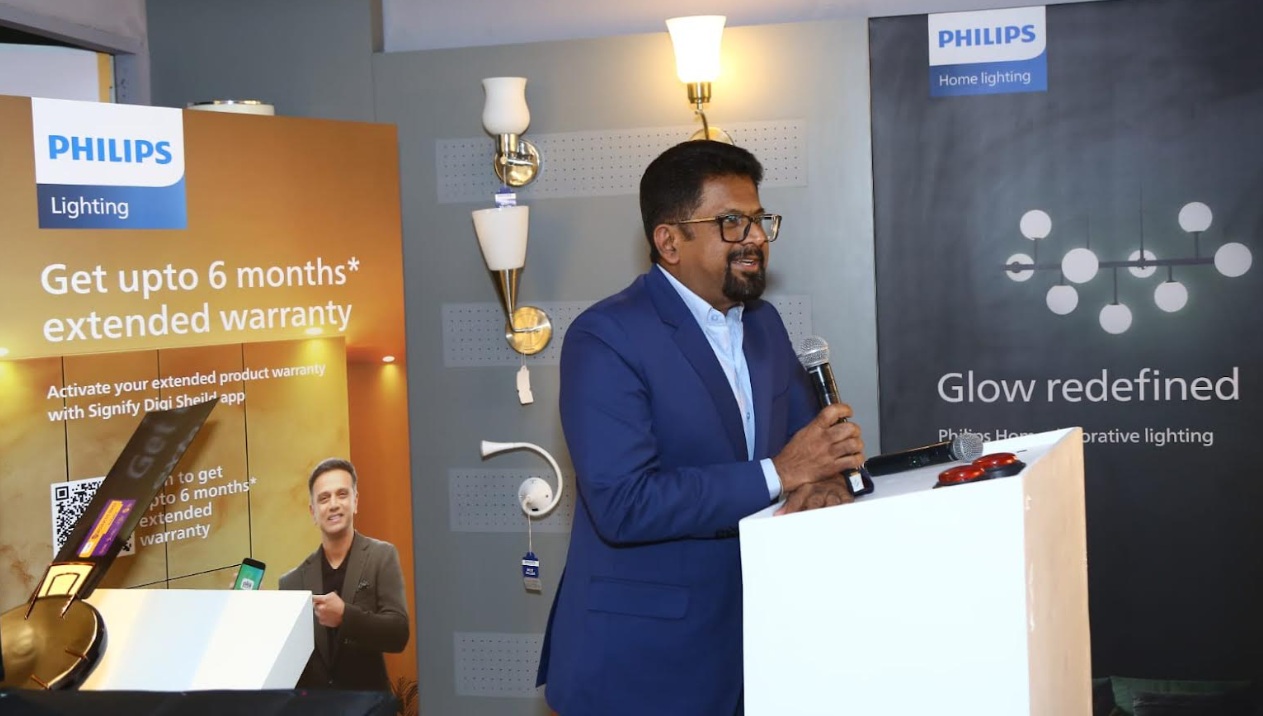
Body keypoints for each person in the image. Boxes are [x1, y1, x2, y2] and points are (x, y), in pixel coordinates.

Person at [536, 140, 868, 715]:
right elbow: (624, 504)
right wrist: (781, 472)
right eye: (731, 222)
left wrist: (825, 482)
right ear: (669, 242)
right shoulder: (606, 337)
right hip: (641, 669)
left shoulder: (764, 325)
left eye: (759, 220)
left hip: (756, 650)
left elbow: (807, 454)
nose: (755, 237)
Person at [279, 457, 409, 691]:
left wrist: (345, 616)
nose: (333, 504)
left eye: (341, 494)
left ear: (355, 501)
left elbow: (398, 633)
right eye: (324, 498)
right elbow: (287, 662)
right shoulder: (292, 582)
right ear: (313, 512)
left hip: (368, 704)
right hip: (315, 706)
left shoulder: (381, 556)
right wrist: (258, 612)